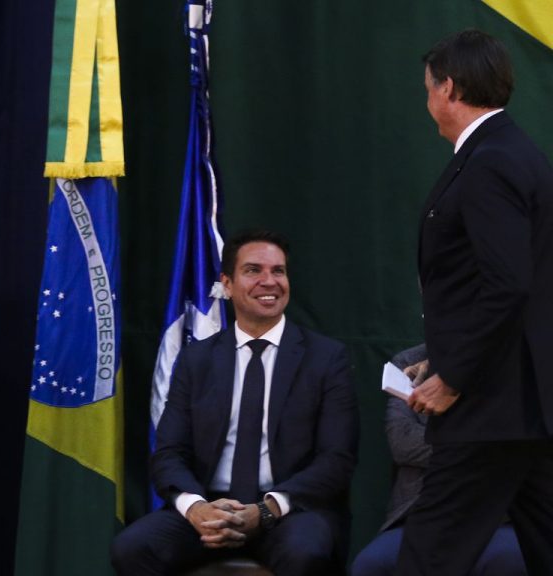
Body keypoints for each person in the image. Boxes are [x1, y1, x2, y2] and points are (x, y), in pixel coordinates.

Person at [395, 29, 553, 576]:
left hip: (490, 409)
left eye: (428, 88)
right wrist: (442, 357)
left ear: (450, 88)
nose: (427, 101)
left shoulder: (491, 162)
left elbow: (507, 284)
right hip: (523, 407)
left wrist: (454, 376)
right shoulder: (511, 151)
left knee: (427, 557)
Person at [111, 230, 359, 575]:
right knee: (132, 548)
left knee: (306, 553)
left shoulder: (326, 358)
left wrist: (267, 509)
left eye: (278, 271)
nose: (269, 281)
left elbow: (337, 459)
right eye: (253, 270)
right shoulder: (196, 360)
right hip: (210, 507)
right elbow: (169, 453)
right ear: (226, 284)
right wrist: (197, 508)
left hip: (290, 510)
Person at [351, 344, 526, 576]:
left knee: (511, 560)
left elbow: (515, 444)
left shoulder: (514, 364)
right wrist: (480, 448)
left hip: (499, 515)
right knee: (371, 564)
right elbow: (403, 443)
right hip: (420, 510)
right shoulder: (410, 362)